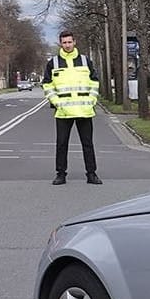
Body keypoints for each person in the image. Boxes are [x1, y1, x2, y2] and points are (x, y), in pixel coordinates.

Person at [43, 30, 101, 185]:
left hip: (84, 110)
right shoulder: (53, 63)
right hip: (63, 111)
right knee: (61, 144)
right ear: (60, 44)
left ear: (74, 42)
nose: (67, 45)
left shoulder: (85, 60)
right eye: (64, 42)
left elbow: (94, 81)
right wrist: (56, 101)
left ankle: (91, 174)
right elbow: (47, 85)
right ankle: (60, 174)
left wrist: (92, 99)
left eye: (69, 42)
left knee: (87, 144)